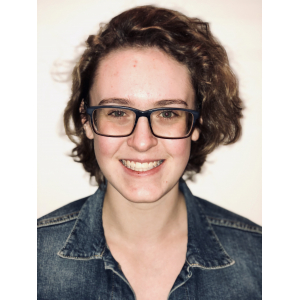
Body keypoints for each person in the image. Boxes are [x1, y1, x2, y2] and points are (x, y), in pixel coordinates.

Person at [37, 5, 261, 300]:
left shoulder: (263, 262)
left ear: (196, 123)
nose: (142, 142)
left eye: (168, 113)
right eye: (117, 112)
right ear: (86, 120)